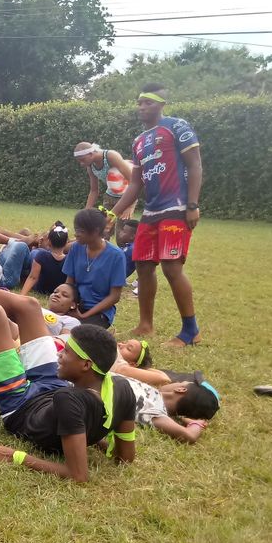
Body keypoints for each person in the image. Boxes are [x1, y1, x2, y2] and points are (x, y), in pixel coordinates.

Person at [0, 226, 135, 482]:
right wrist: (93, 435)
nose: (59, 353)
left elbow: (78, 475)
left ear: (86, 365)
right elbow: (125, 457)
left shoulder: (70, 400)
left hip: (20, 406)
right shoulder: (121, 388)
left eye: (67, 353)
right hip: (51, 387)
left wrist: (15, 456)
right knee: (29, 306)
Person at [111, 84, 204, 347]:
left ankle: (190, 331)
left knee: (172, 268)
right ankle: (145, 325)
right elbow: (135, 184)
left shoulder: (177, 127)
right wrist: (111, 213)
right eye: (139, 102)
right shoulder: (138, 141)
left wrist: (193, 204)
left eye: (147, 103)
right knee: (142, 267)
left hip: (176, 209)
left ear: (162, 104)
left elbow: (195, 164)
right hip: (151, 212)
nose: (141, 107)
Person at [62, 208, 127, 329]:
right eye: (76, 230)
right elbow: (69, 283)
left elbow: (114, 296)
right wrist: (67, 305)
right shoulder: (76, 248)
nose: (76, 234)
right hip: (75, 305)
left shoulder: (116, 256)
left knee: (77, 335)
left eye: (80, 231)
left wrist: (84, 315)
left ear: (96, 232)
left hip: (99, 312)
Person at [121, 372, 220, 444]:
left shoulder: (155, 411)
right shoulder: (152, 393)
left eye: (182, 382)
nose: (177, 382)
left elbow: (189, 436)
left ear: (180, 389)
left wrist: (197, 424)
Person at [74, 141, 135, 240]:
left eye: (82, 160)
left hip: (126, 198)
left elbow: (133, 182)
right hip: (109, 197)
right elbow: (94, 190)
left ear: (91, 153)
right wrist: (86, 212)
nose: (81, 164)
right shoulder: (90, 166)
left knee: (123, 236)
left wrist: (130, 206)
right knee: (103, 232)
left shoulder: (111, 156)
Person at [21, 222, 70, 296]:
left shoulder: (42, 255)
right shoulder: (69, 259)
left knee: (35, 251)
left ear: (49, 242)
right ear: (66, 243)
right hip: (58, 290)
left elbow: (33, 277)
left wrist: (22, 295)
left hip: (41, 289)